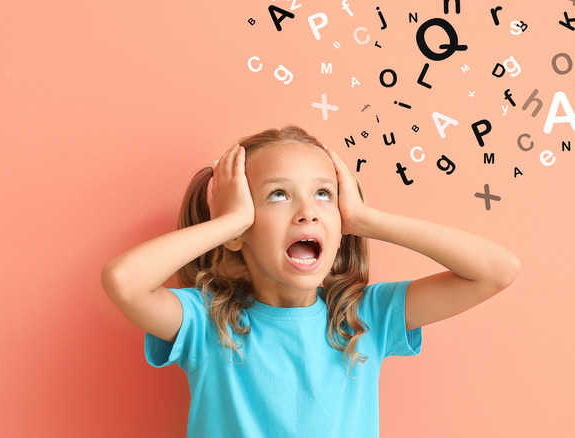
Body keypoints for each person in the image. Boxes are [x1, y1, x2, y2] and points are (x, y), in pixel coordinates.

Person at [102, 126, 520, 437]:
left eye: (324, 194)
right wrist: (230, 222)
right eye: (278, 195)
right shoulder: (207, 323)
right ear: (239, 231)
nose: (308, 212)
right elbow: (124, 281)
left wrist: (363, 219)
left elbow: (496, 270)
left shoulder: (366, 317)